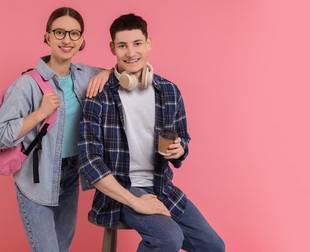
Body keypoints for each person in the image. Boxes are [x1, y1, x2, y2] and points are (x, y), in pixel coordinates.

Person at [78, 13, 225, 251]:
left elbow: (183, 139)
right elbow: (89, 162)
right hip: (121, 190)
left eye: (137, 43)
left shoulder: (169, 91)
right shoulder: (99, 96)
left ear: (148, 43)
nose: (131, 52)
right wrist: (135, 201)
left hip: (162, 187)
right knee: (169, 238)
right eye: (122, 45)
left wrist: (180, 149)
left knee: (214, 246)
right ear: (112, 48)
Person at [0, 7, 110, 252]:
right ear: (47, 37)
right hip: (37, 181)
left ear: (82, 40)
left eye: (74, 34)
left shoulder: (85, 74)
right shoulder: (27, 85)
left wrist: (107, 72)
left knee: (62, 248)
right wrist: (40, 114)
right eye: (59, 32)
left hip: (70, 174)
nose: (67, 39)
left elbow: (122, 73)